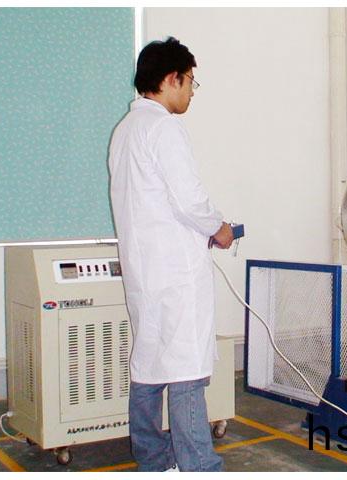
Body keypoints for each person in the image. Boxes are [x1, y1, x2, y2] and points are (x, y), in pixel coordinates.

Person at [108, 37, 233, 472]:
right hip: (176, 275)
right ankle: (198, 466)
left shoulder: (125, 130)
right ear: (170, 79)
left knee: (149, 366)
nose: (193, 91)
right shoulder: (164, 128)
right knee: (185, 371)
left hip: (144, 272)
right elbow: (189, 200)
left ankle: (154, 461)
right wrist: (219, 228)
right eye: (191, 81)